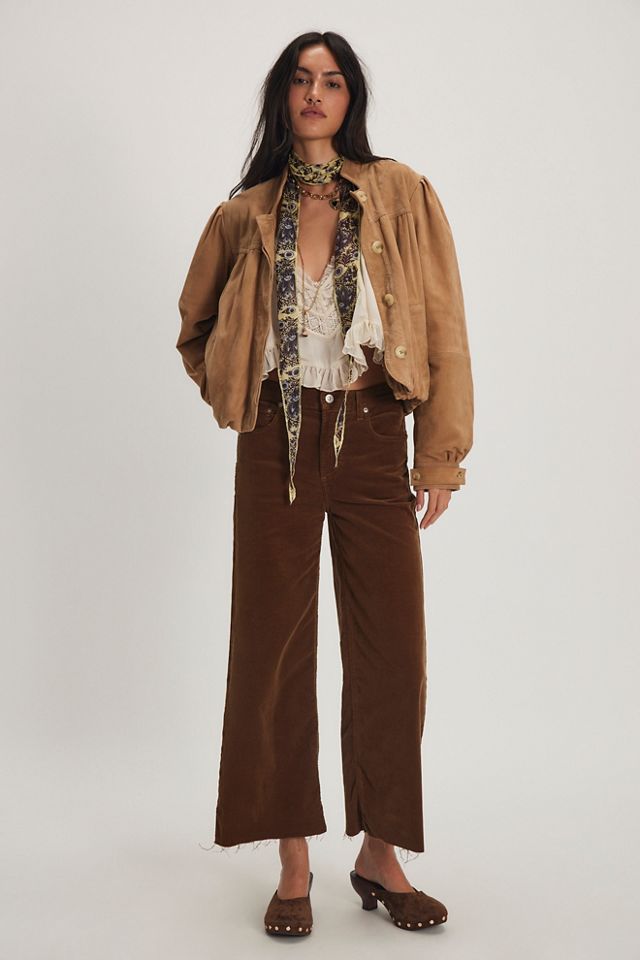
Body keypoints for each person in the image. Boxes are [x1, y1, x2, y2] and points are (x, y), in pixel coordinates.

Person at [176, 30, 473, 936]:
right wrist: (237, 386)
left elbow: (445, 325)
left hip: (375, 433)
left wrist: (440, 454)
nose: (316, 93)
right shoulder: (244, 214)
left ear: (351, 99)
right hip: (275, 439)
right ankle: (294, 859)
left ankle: (382, 853)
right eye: (302, 79)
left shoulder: (400, 194)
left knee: (393, 649)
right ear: (283, 95)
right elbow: (195, 328)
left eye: (333, 80)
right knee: (270, 649)